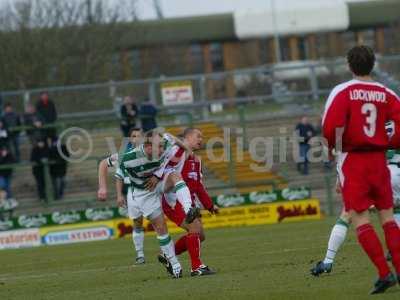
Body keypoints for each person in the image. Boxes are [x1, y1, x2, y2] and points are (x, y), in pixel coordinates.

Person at [322, 45, 400, 294]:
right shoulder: (386, 92)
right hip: (379, 160)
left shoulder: (343, 91)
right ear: (373, 64)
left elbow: (330, 127)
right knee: (388, 217)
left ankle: (384, 274)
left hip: (355, 160)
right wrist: (388, 142)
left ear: (349, 65)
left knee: (360, 218)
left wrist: (334, 149)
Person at [117, 131, 185, 278]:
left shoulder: (164, 145)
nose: (162, 149)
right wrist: (104, 188)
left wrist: (187, 148)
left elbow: (170, 137)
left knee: (175, 176)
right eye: (158, 147)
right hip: (142, 192)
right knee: (158, 226)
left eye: (162, 146)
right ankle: (172, 263)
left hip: (159, 182)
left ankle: (189, 208)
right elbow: (106, 165)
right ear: (147, 146)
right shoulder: (126, 156)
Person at [160, 128, 219, 276]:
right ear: (187, 137)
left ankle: (169, 254)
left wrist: (210, 206)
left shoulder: (197, 160)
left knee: (201, 235)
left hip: (189, 202)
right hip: (173, 201)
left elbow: (198, 186)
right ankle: (196, 267)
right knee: (194, 228)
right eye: (198, 136)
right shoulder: (177, 153)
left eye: (202, 137)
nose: (201, 139)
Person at [97, 128, 145, 264]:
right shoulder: (124, 155)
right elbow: (116, 173)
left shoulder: (153, 152)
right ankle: (140, 254)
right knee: (137, 223)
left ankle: (168, 252)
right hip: (133, 192)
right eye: (134, 136)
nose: (136, 138)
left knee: (158, 222)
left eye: (139, 136)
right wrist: (116, 194)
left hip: (151, 190)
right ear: (131, 139)